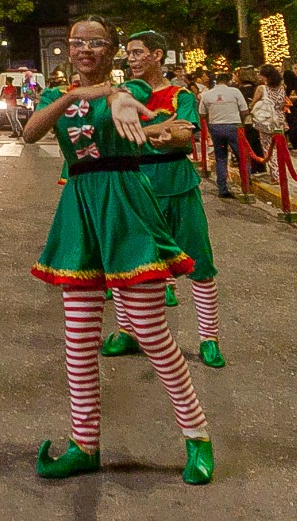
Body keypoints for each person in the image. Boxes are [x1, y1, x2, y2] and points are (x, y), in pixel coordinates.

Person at [24, 17, 213, 485]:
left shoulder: (132, 88)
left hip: (127, 204)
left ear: (110, 50)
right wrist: (73, 97)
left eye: (96, 42)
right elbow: (29, 133)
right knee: (79, 340)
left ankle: (198, 436)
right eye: (76, 42)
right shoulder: (56, 97)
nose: (85, 48)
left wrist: (118, 100)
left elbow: (130, 98)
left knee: (150, 331)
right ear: (67, 50)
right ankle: (84, 444)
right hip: (80, 208)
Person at [102, 31, 225, 369]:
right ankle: (128, 331)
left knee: (199, 258)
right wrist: (159, 130)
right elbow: (113, 131)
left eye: (139, 52)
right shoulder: (121, 94)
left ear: (158, 55)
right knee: (129, 261)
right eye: (129, 53)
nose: (132, 59)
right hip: (133, 183)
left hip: (176, 182)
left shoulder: (178, 94)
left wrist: (152, 134)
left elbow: (184, 133)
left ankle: (209, 336)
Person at [197, 72, 248, 198]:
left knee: (220, 157)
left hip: (216, 126)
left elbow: (202, 114)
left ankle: (222, 188)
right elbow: (245, 110)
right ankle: (246, 184)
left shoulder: (206, 94)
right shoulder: (235, 92)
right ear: (229, 80)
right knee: (241, 155)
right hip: (234, 125)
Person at [249, 64, 289, 168]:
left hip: (266, 119)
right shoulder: (282, 87)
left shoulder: (261, 89)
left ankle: (275, 173)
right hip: (280, 119)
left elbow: (253, 103)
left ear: (265, 76)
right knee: (279, 146)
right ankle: (282, 170)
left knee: (268, 146)